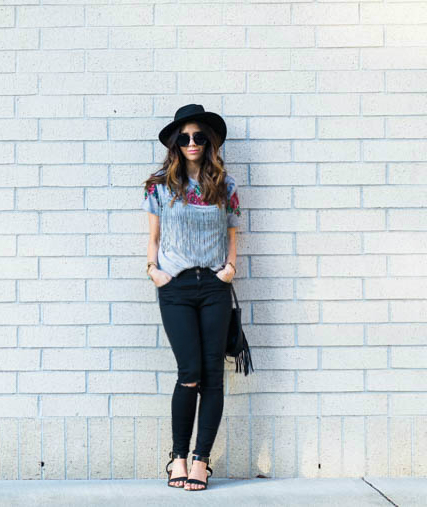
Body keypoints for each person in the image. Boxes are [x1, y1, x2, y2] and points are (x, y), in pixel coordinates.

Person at [140, 104, 241, 491]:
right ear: (176, 144)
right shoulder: (159, 186)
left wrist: (230, 268)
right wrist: (154, 271)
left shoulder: (225, 185)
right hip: (177, 288)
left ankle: (201, 461)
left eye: (199, 136)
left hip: (215, 286)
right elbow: (153, 237)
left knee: (213, 375)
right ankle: (177, 456)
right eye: (185, 137)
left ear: (209, 141)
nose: (193, 142)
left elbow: (232, 233)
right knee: (190, 373)